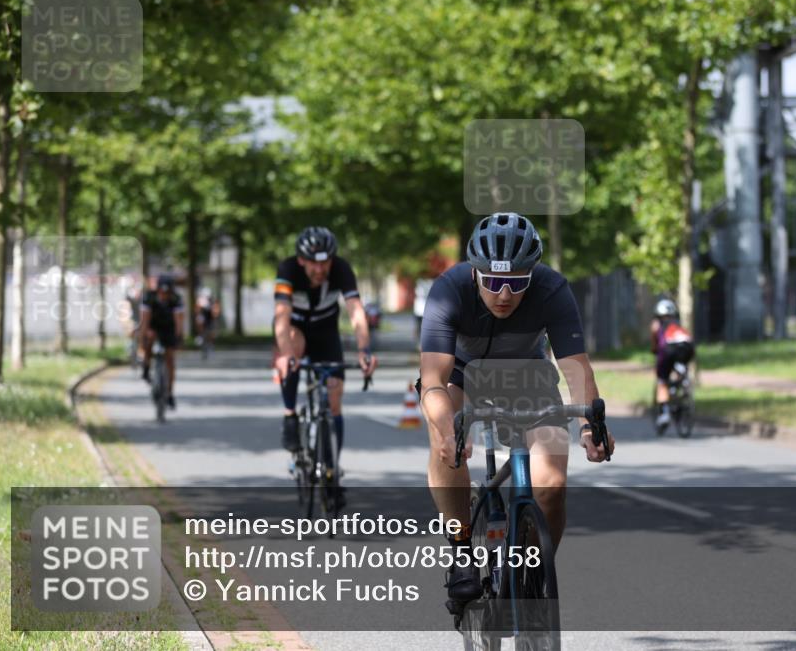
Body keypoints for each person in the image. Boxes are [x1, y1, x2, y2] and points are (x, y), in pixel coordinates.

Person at [417, 211, 614, 604]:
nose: (504, 293)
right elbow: (434, 380)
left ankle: (533, 576)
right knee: (447, 442)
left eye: (516, 282)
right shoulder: (448, 289)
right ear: (474, 273)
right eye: (492, 281)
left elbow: (575, 367)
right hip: (462, 374)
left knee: (552, 485)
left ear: (532, 274)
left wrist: (592, 425)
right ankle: (460, 550)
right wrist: (445, 428)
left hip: (529, 375)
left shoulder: (552, 289)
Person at [273, 226, 378, 457]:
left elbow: (356, 311)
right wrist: (286, 355)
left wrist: (364, 350)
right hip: (295, 329)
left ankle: (332, 470)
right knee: (292, 344)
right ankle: (289, 413)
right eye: (314, 263)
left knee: (334, 398)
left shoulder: (341, 269)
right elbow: (281, 316)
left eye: (325, 263)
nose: (320, 269)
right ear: (301, 260)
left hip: (325, 331)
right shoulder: (288, 269)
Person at [139, 274, 185, 409]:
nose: (164, 295)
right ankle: (146, 366)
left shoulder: (177, 299)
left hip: (169, 328)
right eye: (162, 292)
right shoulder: (149, 297)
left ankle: (170, 393)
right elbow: (145, 320)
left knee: (170, 359)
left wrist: (178, 338)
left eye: (167, 293)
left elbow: (178, 322)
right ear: (158, 290)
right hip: (153, 325)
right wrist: (143, 337)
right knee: (149, 338)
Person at [650, 297, 695, 433]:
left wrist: (654, 349)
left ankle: (664, 413)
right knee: (679, 368)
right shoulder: (679, 325)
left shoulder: (656, 324)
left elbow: (655, 344)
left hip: (668, 349)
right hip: (687, 347)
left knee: (662, 381)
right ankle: (682, 384)